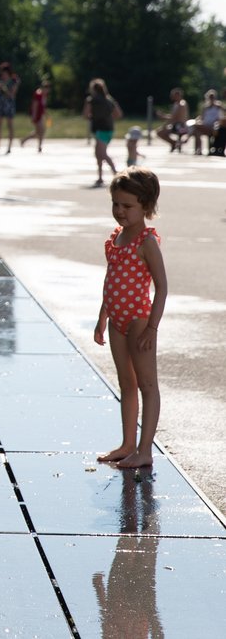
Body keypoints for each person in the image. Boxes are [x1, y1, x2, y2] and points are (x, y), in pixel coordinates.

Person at [94, 167, 167, 469]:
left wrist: (152, 326)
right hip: (116, 321)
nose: (119, 211)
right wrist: (102, 318)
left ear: (146, 207)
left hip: (138, 319)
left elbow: (162, 287)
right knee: (126, 384)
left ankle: (145, 449)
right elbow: (110, 281)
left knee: (147, 385)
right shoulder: (117, 238)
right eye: (116, 204)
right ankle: (127, 444)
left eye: (127, 206)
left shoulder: (146, 241)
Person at [83, 78, 123, 187]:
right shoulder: (109, 99)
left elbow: (85, 115)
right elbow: (118, 114)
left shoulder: (91, 100)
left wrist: (94, 116)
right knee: (98, 153)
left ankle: (116, 174)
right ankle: (100, 177)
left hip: (100, 129)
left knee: (102, 154)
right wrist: (108, 117)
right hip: (108, 127)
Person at [0, 62, 19, 155]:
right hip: (1, 103)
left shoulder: (14, 80)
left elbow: (12, 95)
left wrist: (2, 87)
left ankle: (9, 147)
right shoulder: (1, 80)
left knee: (10, 126)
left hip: (9, 104)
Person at [190, 89, 224, 155]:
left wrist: (220, 106)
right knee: (196, 131)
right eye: (210, 97)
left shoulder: (218, 106)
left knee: (196, 128)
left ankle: (187, 138)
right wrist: (197, 120)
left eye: (213, 97)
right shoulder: (205, 107)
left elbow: (221, 117)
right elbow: (202, 117)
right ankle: (198, 149)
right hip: (205, 125)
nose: (211, 99)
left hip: (214, 126)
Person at [155, 87, 189, 152]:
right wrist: (164, 116)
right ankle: (174, 143)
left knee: (160, 132)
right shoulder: (176, 104)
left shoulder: (181, 104)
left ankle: (175, 143)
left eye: (173, 95)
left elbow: (175, 117)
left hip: (181, 126)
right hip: (175, 124)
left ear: (178, 95)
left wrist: (164, 124)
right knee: (159, 132)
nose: (172, 96)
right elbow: (173, 116)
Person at [20, 80, 50, 152]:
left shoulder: (45, 96)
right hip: (36, 115)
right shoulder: (38, 94)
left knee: (38, 132)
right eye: (45, 87)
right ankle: (39, 146)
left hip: (41, 115)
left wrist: (46, 115)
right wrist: (34, 116)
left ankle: (24, 140)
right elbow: (35, 105)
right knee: (41, 131)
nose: (47, 89)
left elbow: (43, 107)